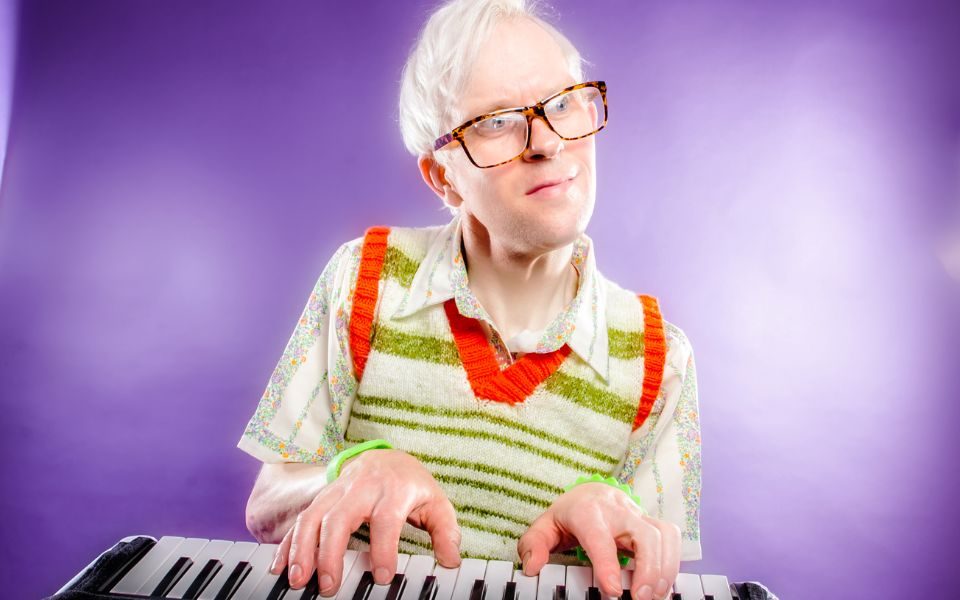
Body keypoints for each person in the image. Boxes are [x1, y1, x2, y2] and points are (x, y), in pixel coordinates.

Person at [237, 2, 702, 600]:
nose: (547, 142)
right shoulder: (363, 278)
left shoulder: (665, 360)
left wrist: (615, 529)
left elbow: (656, 571)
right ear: (442, 177)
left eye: (561, 103)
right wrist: (350, 468)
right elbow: (266, 505)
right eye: (498, 121)